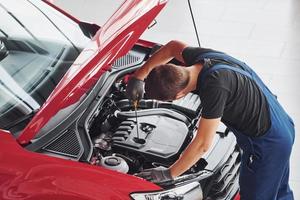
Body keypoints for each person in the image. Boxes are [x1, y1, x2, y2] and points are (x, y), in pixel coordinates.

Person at [126, 40, 295, 200]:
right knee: (279, 191)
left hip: (267, 144)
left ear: (178, 96)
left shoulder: (215, 87)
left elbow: (202, 144)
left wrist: (169, 173)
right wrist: (139, 76)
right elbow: (172, 47)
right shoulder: (202, 59)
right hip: (281, 123)